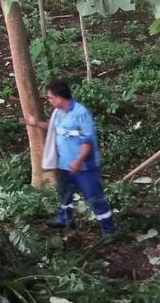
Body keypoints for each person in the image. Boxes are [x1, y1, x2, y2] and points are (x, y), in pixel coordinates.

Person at [21, 80, 116, 236]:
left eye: (50, 97)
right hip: (65, 165)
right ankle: (65, 219)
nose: (49, 100)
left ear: (60, 98)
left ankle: (109, 230)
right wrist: (36, 123)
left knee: (94, 197)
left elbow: (87, 141)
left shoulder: (80, 113)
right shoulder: (58, 113)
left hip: (84, 167)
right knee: (65, 194)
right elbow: (52, 127)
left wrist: (78, 161)